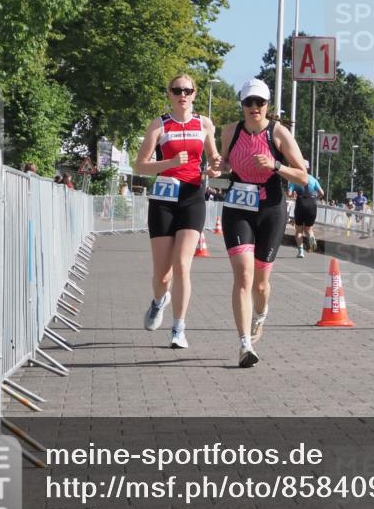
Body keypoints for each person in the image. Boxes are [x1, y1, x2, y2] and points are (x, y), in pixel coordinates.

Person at [219, 79, 307, 368]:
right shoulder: (230, 132)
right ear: (242, 105)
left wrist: (276, 166)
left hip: (270, 209)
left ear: (268, 106)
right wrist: (217, 167)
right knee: (243, 276)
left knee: (260, 283)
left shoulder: (279, 134)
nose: (254, 108)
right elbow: (225, 165)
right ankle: (244, 344)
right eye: (249, 103)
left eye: (260, 103)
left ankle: (261, 314)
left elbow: (303, 176)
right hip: (238, 207)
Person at [134, 74, 220, 349]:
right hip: (163, 197)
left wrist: (215, 167)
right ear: (169, 94)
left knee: (183, 265)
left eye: (187, 90)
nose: (182, 94)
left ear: (195, 94)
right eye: (177, 90)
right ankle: (159, 301)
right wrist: (169, 162)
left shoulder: (204, 124)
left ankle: (178, 329)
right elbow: (140, 166)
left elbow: (215, 160)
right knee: (162, 275)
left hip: (192, 196)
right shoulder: (159, 125)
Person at [288, 162, 325, 258]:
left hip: (301, 203)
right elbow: (322, 193)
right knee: (309, 229)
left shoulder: (295, 179)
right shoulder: (313, 179)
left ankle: (301, 251)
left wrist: (293, 194)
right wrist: (315, 198)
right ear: (308, 168)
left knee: (299, 230)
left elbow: (289, 193)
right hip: (312, 203)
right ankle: (311, 237)